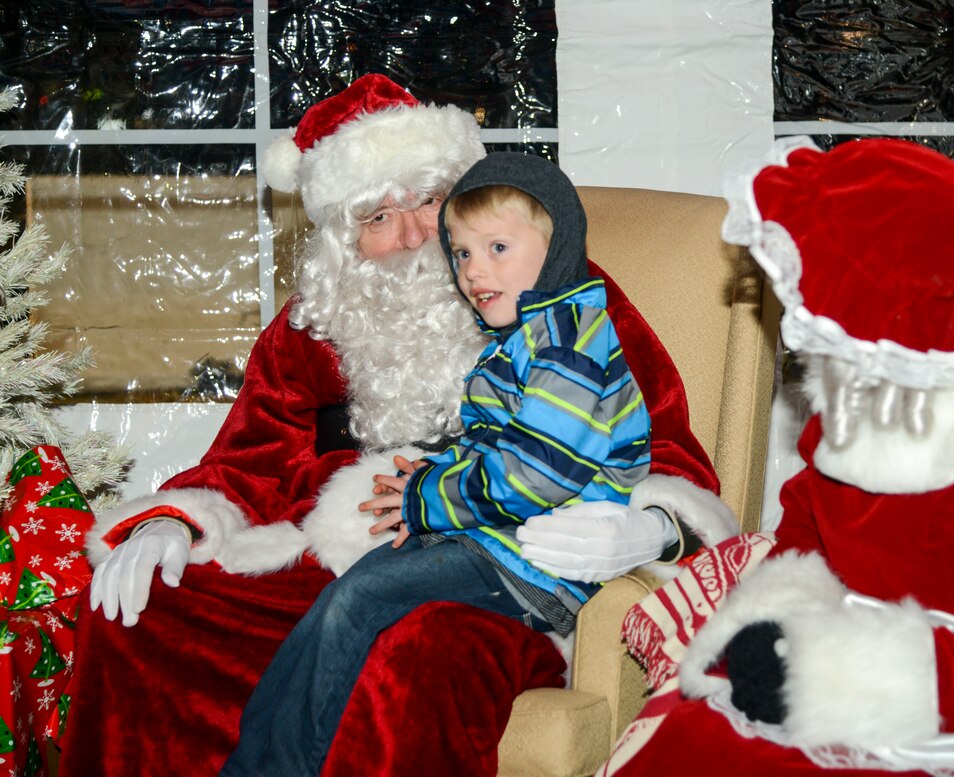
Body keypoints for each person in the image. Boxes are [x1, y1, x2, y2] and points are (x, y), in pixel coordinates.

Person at [61, 74, 738, 776]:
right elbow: (248, 458)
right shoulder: (314, 325)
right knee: (140, 613)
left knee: (415, 648)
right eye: (378, 217)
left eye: (426, 199)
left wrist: (652, 528)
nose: (416, 236)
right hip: (324, 563)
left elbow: (665, 446)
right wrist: (171, 522)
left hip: (500, 578)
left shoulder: (554, 294)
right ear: (342, 239)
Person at [595, 136, 954, 776]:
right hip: (833, 642)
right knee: (679, 742)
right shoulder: (869, 376)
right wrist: (777, 621)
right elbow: (809, 521)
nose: (800, 313)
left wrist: (816, 675)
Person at [219, 150, 656, 775]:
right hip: (495, 540)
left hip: (543, 562)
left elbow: (538, 475)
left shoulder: (567, 343)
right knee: (346, 594)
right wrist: (426, 495)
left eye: (497, 248)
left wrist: (425, 499)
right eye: (464, 254)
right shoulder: (526, 338)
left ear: (557, 245)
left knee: (358, 598)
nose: (475, 271)